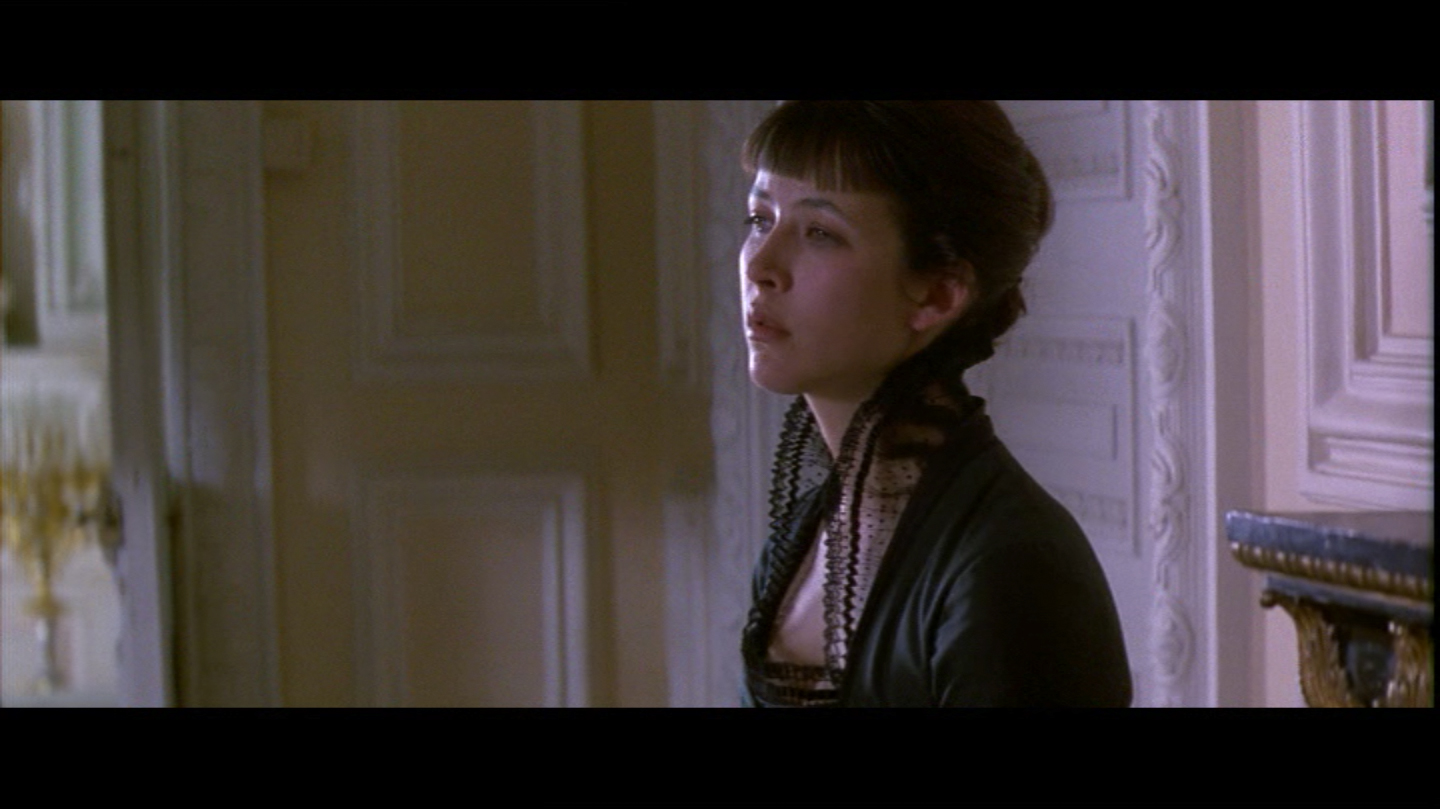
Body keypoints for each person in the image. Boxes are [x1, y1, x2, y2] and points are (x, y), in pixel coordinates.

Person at [738, 101, 1132, 707]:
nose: (761, 266)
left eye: (820, 233)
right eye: (760, 219)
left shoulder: (1010, 565)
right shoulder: (802, 538)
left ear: (938, 294)